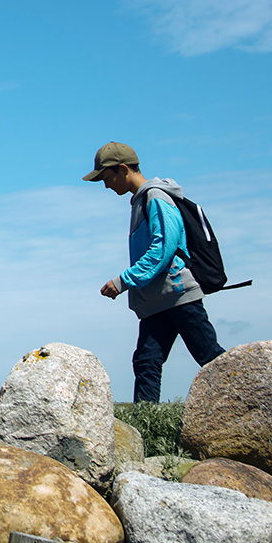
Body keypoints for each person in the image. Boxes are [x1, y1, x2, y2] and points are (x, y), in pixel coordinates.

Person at [84, 141, 226, 402]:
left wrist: (123, 281)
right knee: (146, 363)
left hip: (178, 295)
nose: (106, 185)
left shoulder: (156, 197)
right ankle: (144, 431)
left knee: (210, 357)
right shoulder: (141, 201)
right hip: (156, 301)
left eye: (107, 178)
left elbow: (163, 249)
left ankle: (253, 405)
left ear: (123, 169)